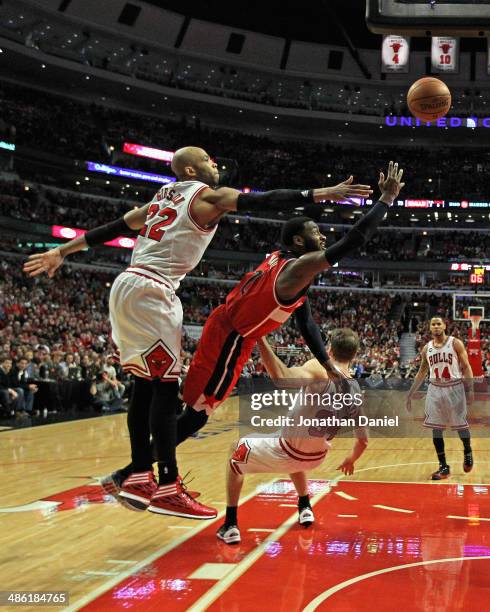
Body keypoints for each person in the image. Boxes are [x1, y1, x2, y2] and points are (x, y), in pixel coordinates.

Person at [24, 145, 371, 519]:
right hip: (155, 290)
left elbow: (117, 227)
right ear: (190, 170)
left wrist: (65, 250)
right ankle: (165, 484)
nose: (215, 164)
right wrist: (324, 193)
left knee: (146, 386)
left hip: (126, 285)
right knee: (162, 389)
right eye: (207, 160)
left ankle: (139, 474)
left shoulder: (160, 198)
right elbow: (266, 201)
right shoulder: (206, 196)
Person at [107, 161, 403, 501]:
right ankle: (139, 475)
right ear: (297, 239)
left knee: (187, 407)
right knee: (196, 413)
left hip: (227, 331)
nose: (322, 237)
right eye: (315, 232)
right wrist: (386, 201)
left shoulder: (280, 261)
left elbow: (305, 321)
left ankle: (135, 472)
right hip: (232, 338)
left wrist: (326, 364)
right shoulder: (299, 268)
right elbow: (354, 240)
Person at [216, 330, 368, 544]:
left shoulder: (319, 367)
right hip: (317, 457)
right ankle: (305, 505)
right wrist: (350, 460)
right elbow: (363, 440)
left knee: (235, 452)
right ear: (354, 355)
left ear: (329, 349)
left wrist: (259, 338)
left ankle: (230, 524)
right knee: (294, 450)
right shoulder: (354, 388)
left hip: (286, 451)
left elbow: (281, 377)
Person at [406, 317, 474, 480]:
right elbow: (422, 372)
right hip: (435, 389)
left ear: (444, 326)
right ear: (430, 327)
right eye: (433, 324)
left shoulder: (455, 343)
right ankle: (443, 466)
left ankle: (467, 451)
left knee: (460, 426)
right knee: (436, 429)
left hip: (454, 387)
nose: (436, 326)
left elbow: (466, 366)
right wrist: (410, 393)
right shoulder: (426, 349)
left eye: (439, 323)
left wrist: (470, 389)